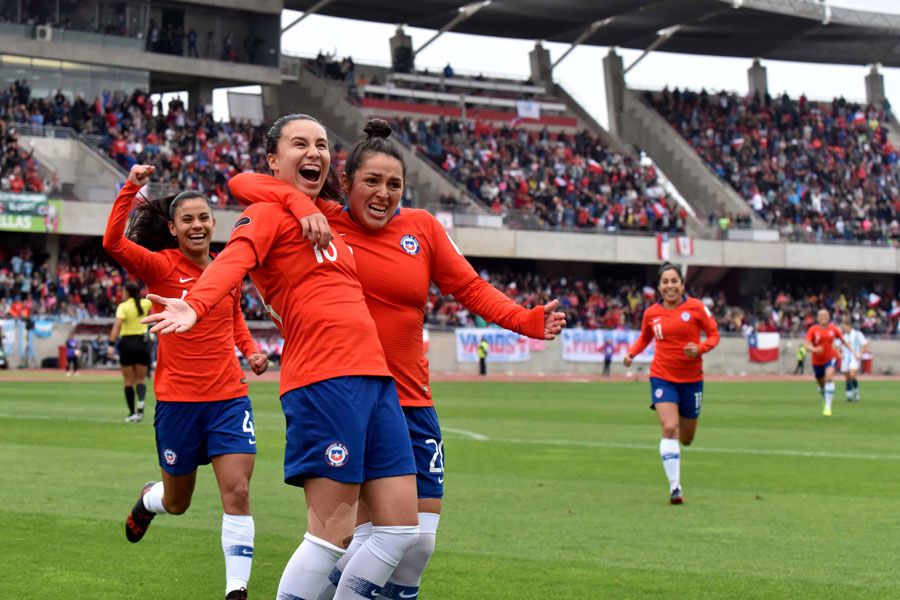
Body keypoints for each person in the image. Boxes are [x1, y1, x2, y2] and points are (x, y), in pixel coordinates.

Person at [227, 118, 566, 600]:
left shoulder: (422, 227)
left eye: (394, 184)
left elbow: (468, 286)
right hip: (347, 391)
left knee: (417, 542)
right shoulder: (325, 219)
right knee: (354, 534)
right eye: (371, 182)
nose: (384, 194)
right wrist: (301, 201)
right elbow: (244, 182)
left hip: (411, 397)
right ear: (344, 184)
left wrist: (526, 321)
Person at [141, 114, 421, 600]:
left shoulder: (330, 216)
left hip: (375, 379)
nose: (314, 152)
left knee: (400, 532)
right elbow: (234, 252)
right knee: (331, 537)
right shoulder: (266, 213)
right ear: (274, 159)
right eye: (299, 144)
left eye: (321, 144)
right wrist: (197, 301)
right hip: (325, 379)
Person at [103, 165, 269, 600]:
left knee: (237, 489)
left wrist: (249, 350)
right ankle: (148, 500)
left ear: (214, 223)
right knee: (178, 502)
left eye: (204, 218)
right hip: (178, 403)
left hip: (229, 399)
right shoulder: (160, 267)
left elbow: (233, 316)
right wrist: (131, 187)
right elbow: (112, 242)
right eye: (188, 220)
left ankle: (237, 589)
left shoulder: (227, 269)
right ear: (174, 228)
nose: (197, 226)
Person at [623, 263, 719, 504]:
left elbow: (714, 335)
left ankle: (676, 470)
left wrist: (699, 348)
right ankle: (675, 488)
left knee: (686, 438)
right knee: (669, 428)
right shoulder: (651, 313)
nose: (670, 286)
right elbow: (646, 336)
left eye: (674, 281)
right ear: (659, 286)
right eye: (665, 282)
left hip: (692, 380)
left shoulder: (697, 308)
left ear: (682, 284)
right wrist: (632, 353)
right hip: (662, 377)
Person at [108, 281, 152, 422]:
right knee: (140, 379)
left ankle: (132, 413)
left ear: (127, 292)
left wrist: (110, 344)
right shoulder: (145, 303)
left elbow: (117, 326)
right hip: (142, 343)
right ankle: (141, 406)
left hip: (127, 343)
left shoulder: (123, 306)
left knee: (128, 381)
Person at [803, 309, 857, 417]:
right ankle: (824, 393)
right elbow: (806, 344)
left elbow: (843, 341)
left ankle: (828, 406)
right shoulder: (813, 330)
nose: (824, 317)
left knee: (829, 377)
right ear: (818, 318)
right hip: (817, 361)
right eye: (821, 315)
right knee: (821, 382)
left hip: (831, 358)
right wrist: (814, 349)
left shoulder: (834, 329)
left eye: (826, 315)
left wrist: (853, 351)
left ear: (829, 317)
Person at [840, 319, 868, 403]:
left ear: (849, 326)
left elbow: (864, 344)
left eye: (844, 327)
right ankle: (849, 394)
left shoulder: (857, 334)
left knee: (852, 375)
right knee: (847, 376)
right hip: (845, 358)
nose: (843, 328)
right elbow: (836, 346)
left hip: (854, 358)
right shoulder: (841, 335)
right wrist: (840, 355)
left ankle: (854, 394)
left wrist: (861, 354)